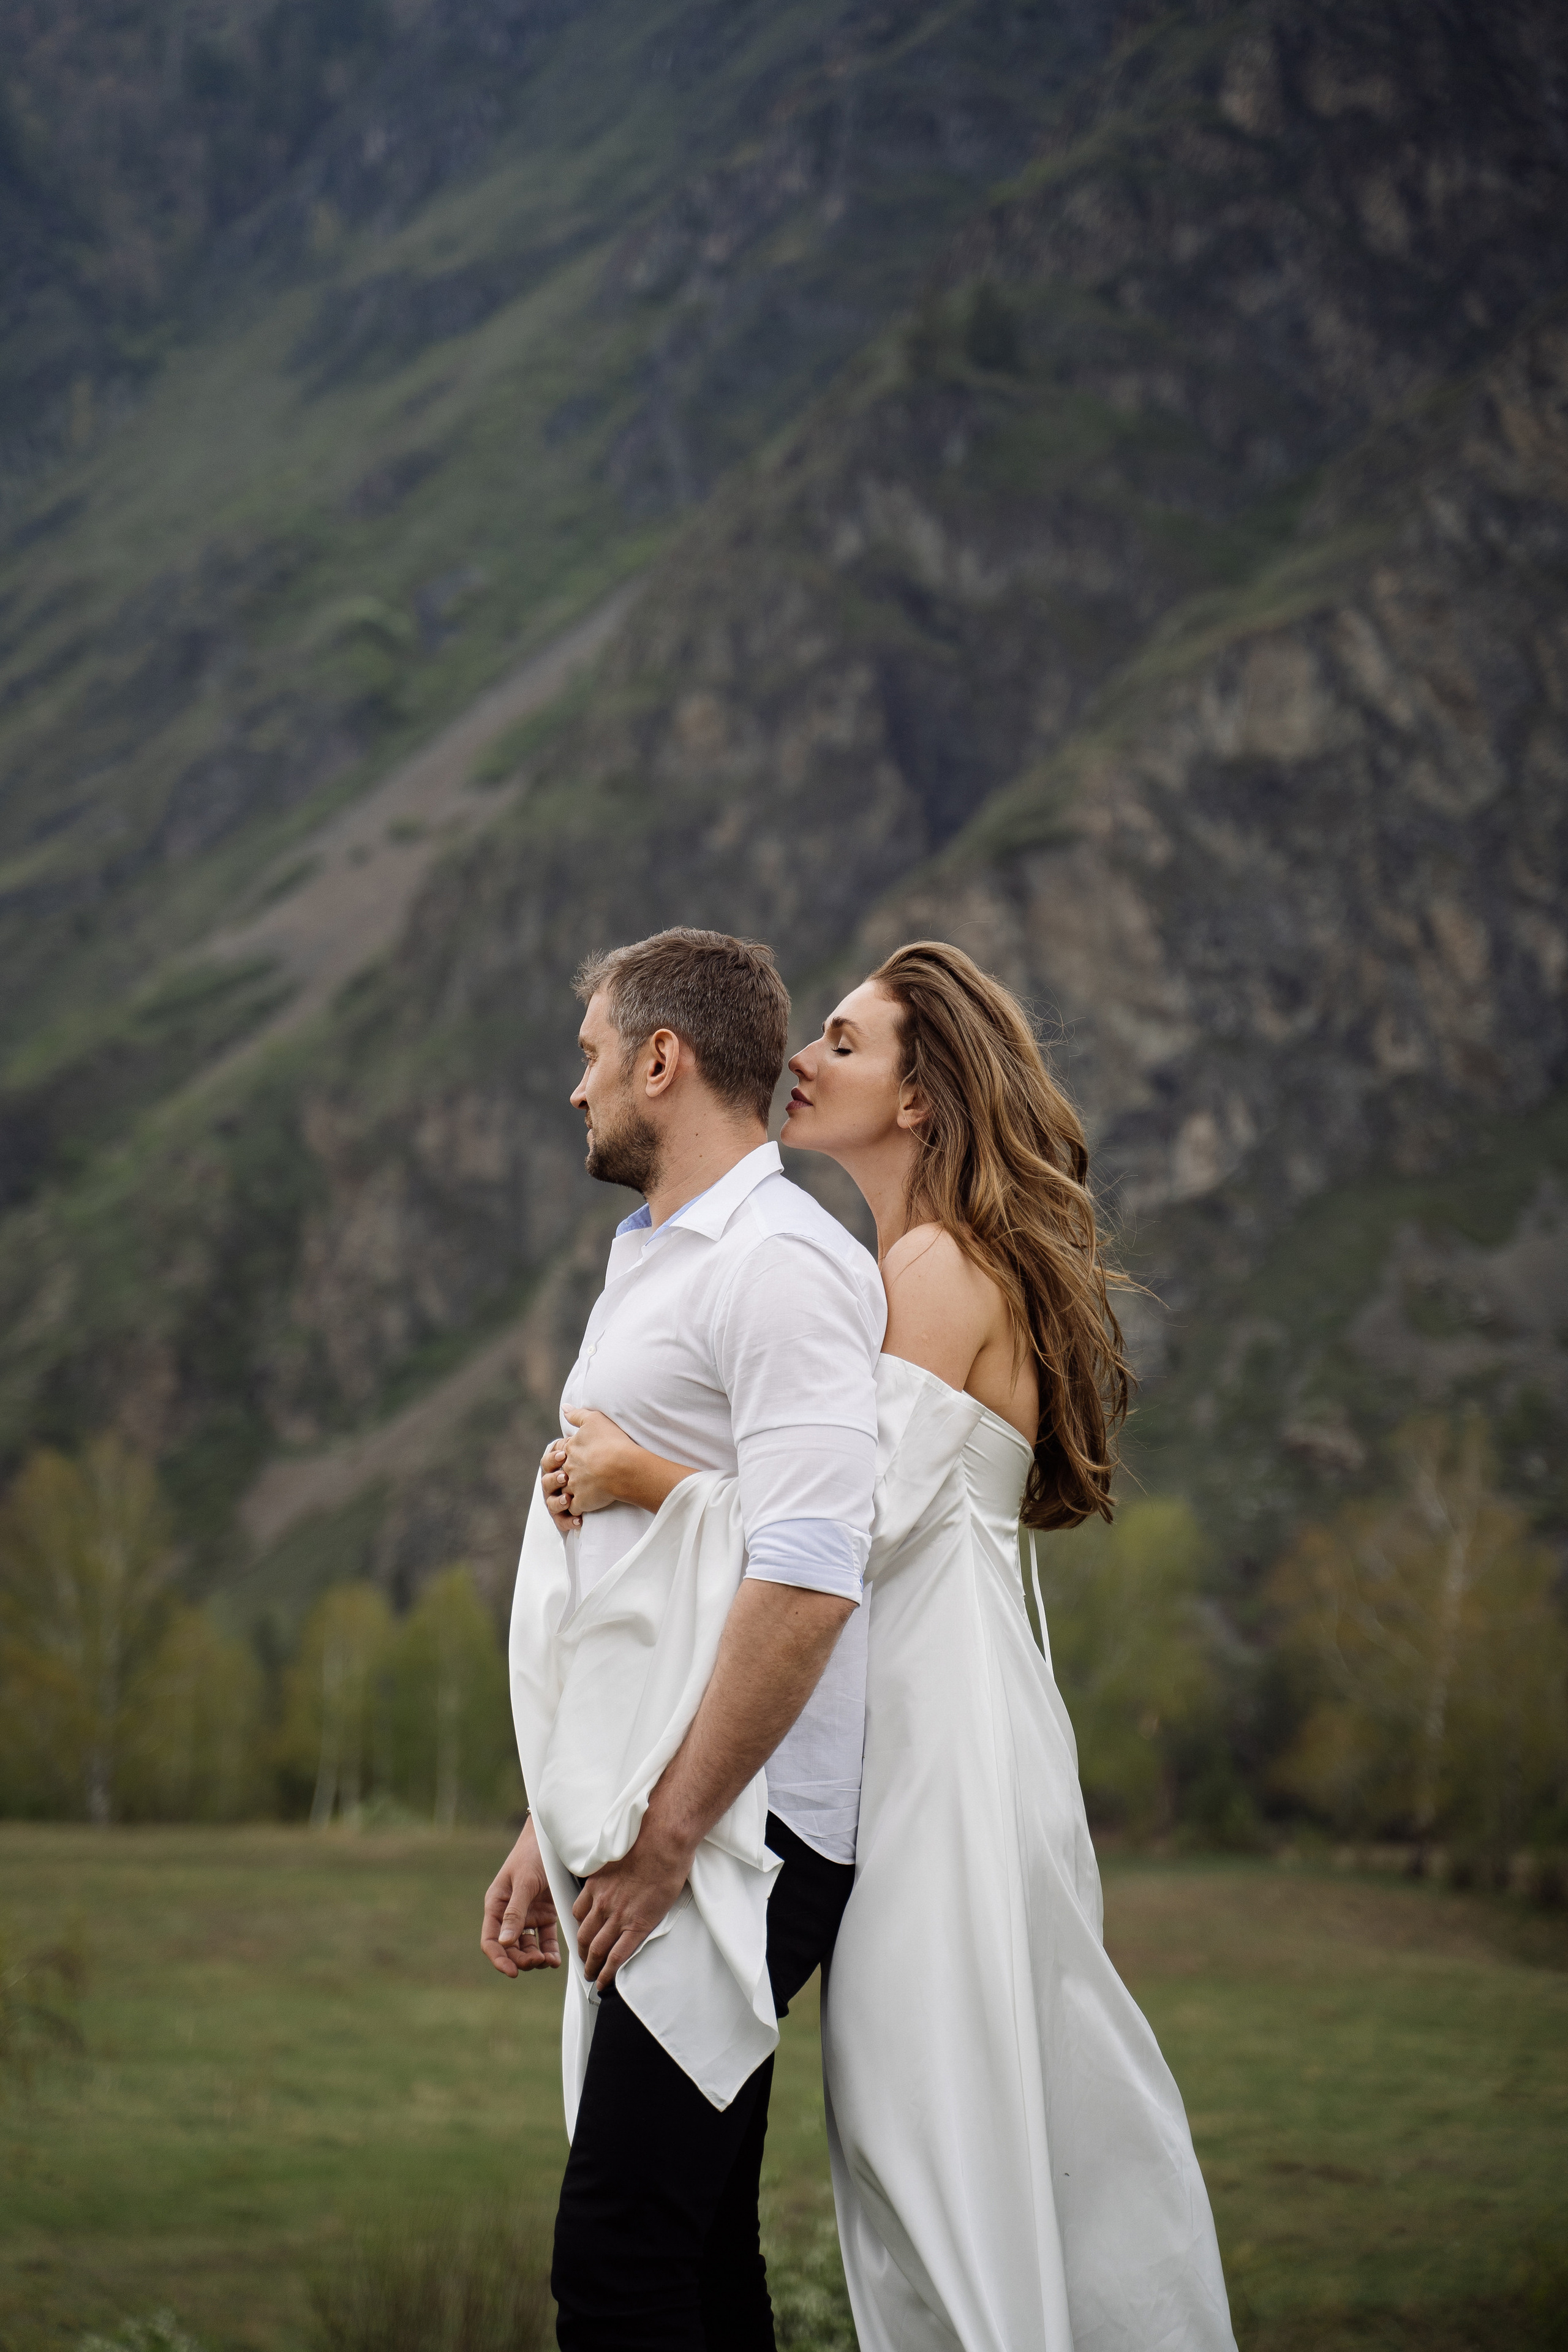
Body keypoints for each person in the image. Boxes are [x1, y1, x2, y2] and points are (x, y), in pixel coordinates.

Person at [552, 937, 1237, 2351]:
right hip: (940, 1718)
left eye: (846, 1047)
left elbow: (834, 1537)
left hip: (931, 1747)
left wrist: (643, 1480)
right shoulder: (914, 1264)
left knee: (937, 2142)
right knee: (954, 2124)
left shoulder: (930, 1269)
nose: (803, 1059)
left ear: (919, 1103)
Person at [480, 926, 884, 2352]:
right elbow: (648, 1580)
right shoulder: (653, 1255)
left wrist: (667, 1836)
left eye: (590, 1056)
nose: (574, 1090)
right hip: (662, 1807)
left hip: (743, 1835)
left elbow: (811, 1571)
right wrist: (562, 1818)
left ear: (662, 1058)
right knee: (699, 2253)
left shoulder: (781, 1265)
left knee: (617, 2258)